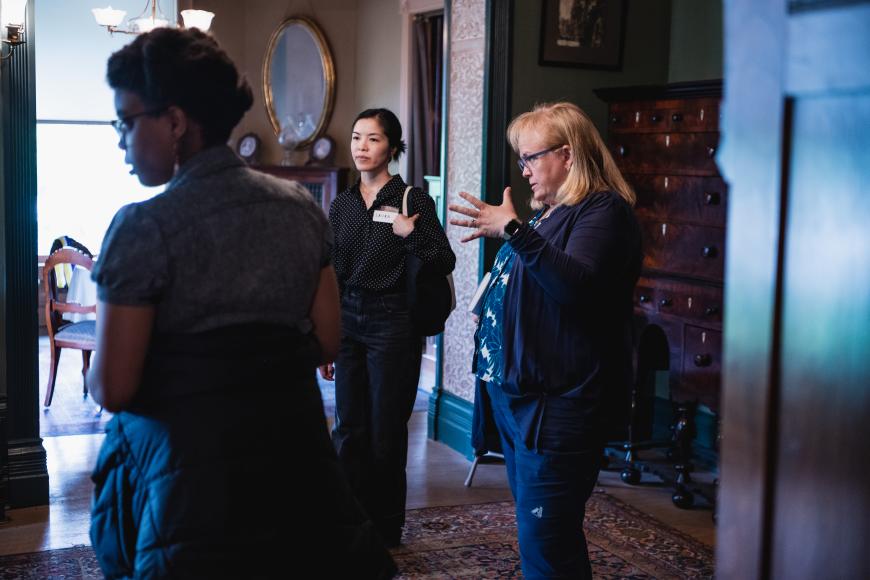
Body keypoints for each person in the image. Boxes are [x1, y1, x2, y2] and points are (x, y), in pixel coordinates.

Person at [87, 28, 395, 579]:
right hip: (295, 471)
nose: (120, 140)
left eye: (126, 122)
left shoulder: (142, 228)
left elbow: (113, 387)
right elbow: (327, 338)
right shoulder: (301, 209)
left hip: (189, 488)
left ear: (177, 121)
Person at [449, 101, 642, 579]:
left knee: (547, 541)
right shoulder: (551, 214)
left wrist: (512, 230)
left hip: (559, 407)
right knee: (540, 536)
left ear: (569, 155)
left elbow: (574, 287)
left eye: (532, 157)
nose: (525, 170)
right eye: (523, 160)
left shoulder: (603, 211)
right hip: (521, 401)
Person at [319, 108, 455, 546]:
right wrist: (327, 336)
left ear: (393, 148)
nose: (361, 147)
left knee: (386, 432)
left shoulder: (412, 200)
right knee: (348, 429)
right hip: (349, 319)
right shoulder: (341, 204)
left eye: (373, 139)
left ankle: (386, 526)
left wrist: (407, 233)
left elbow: (443, 258)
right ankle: (350, 520)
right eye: (357, 137)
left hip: (393, 322)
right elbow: (333, 272)